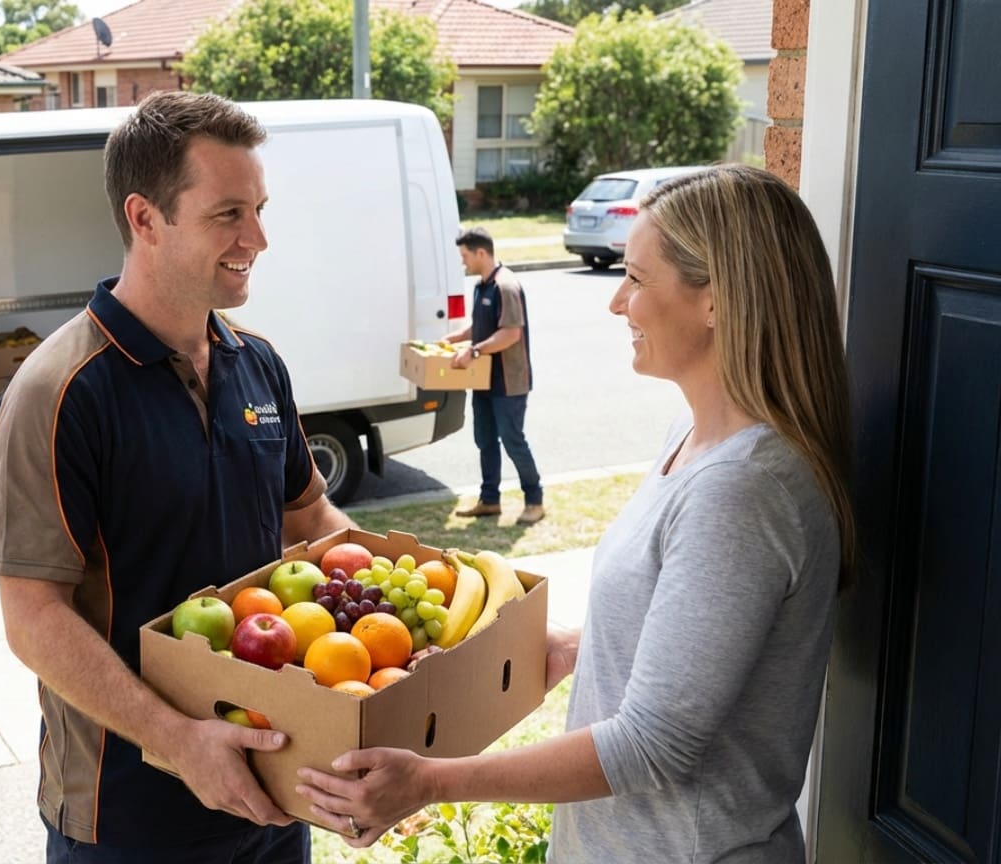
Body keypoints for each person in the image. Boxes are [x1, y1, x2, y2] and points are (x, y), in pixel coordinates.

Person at [294, 164, 857, 863]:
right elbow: (691, 640)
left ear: (718, 299)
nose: (618, 303)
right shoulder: (695, 443)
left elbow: (653, 746)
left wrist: (431, 782)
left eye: (638, 279)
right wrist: (569, 649)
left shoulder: (740, 491)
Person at [0, 91, 355, 863]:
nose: (257, 237)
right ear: (145, 219)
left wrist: (419, 604)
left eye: (259, 209)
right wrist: (180, 740)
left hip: (273, 788)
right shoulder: (61, 391)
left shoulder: (257, 363)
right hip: (133, 816)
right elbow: (33, 616)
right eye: (229, 214)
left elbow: (312, 520)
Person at [446, 227, 545, 525]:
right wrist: (455, 338)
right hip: (484, 381)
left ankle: (534, 500)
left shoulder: (506, 286)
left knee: (513, 440)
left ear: (481, 253)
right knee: (485, 440)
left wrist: (473, 351)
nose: (463, 262)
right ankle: (489, 500)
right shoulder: (481, 286)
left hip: (509, 383)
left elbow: (511, 333)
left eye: (465, 256)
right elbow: (480, 326)